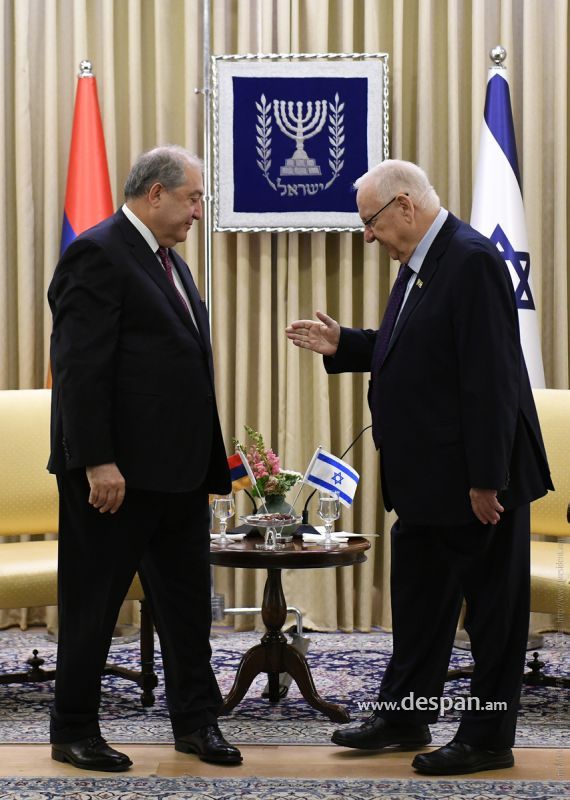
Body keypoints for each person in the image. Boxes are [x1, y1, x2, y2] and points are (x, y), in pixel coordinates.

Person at [285, 159, 552, 775]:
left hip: (475, 482)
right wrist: (347, 344)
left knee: (492, 618)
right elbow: (417, 346)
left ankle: (487, 739)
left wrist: (488, 479)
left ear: (404, 205)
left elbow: (491, 379)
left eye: (371, 222)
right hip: (426, 480)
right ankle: (406, 716)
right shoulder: (422, 262)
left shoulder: (472, 260)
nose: (368, 236)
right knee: (421, 608)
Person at [47, 145, 241, 771]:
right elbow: (79, 369)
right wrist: (97, 461)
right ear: (155, 194)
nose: (198, 211)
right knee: (94, 607)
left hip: (177, 474)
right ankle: (74, 729)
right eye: (193, 198)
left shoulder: (168, 261)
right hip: (115, 478)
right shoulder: (98, 253)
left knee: (187, 608)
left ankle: (196, 722)